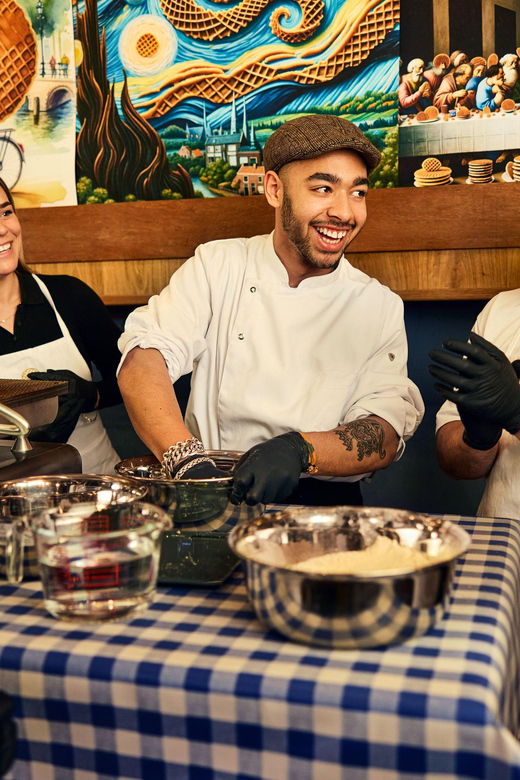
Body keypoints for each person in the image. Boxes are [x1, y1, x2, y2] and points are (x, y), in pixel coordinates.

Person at [117, 114, 424, 506]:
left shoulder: (378, 305)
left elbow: (383, 431)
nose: (345, 213)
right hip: (209, 490)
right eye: (323, 188)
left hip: (323, 507)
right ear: (275, 189)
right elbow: (144, 359)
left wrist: (300, 450)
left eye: (358, 192)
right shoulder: (219, 265)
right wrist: (186, 460)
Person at [0, 177, 122, 473]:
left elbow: (132, 379)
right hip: (9, 495)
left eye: (5, 212)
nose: (3, 229)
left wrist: (89, 395)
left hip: (99, 484)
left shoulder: (69, 296)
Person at [428, 290, 520, 519]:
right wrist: (478, 438)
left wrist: (516, 416)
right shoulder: (501, 307)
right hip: (499, 531)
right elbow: (455, 464)